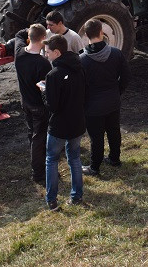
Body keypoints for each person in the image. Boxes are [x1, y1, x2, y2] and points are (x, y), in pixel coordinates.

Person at [79, 18, 130, 177]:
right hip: (113, 101)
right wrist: (117, 91)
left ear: (86, 35)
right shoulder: (116, 53)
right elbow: (126, 76)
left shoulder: (82, 60)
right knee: (114, 131)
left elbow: (79, 86)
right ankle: (115, 159)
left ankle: (94, 167)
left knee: (96, 137)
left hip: (92, 107)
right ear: (101, 32)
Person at [43, 34, 86, 210]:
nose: (46, 55)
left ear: (57, 52)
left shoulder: (53, 75)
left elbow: (53, 106)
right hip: (77, 122)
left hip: (59, 126)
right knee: (74, 158)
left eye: (47, 52)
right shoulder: (80, 67)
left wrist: (44, 91)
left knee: (51, 160)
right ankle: (77, 196)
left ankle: (52, 200)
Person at [13, 24, 52, 183]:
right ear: (43, 38)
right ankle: (39, 174)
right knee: (39, 139)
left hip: (25, 102)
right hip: (38, 107)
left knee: (32, 134)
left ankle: (37, 161)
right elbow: (46, 90)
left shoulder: (19, 53)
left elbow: (18, 34)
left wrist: (30, 29)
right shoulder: (43, 64)